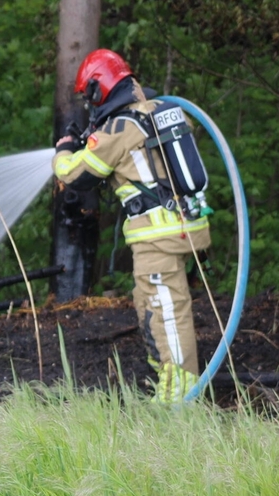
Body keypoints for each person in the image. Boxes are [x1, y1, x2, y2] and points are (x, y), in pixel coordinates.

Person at [52, 49, 212, 403]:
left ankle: (181, 401)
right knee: (150, 305)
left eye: (89, 96)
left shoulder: (119, 127)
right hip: (182, 225)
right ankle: (169, 386)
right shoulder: (160, 111)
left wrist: (64, 149)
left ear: (99, 89)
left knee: (167, 312)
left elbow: (75, 175)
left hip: (159, 237)